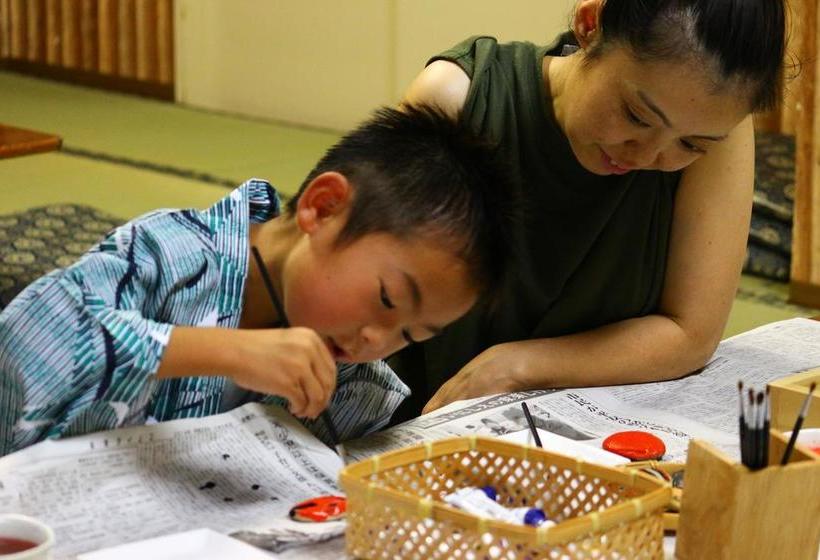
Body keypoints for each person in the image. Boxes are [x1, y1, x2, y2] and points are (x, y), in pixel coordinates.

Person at [0, 105, 518, 456]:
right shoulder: (171, 253)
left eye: (410, 335)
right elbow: (29, 338)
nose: (376, 342)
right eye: (386, 299)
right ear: (324, 207)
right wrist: (223, 351)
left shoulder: (351, 378)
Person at [388, 0, 787, 420]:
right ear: (589, 23)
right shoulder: (457, 100)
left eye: (690, 145)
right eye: (636, 115)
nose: (650, 154)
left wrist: (515, 367)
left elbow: (690, 334)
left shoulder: (714, 131)